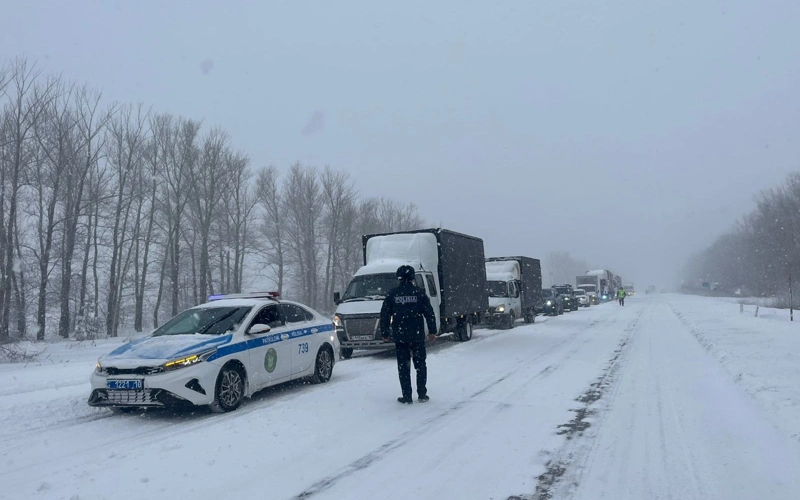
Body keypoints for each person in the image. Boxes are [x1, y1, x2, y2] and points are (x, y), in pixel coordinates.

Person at [380, 265, 437, 404]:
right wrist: (432, 331)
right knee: (420, 365)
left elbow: (385, 315)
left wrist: (385, 333)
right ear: (412, 278)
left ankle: (407, 396)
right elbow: (429, 313)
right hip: (417, 335)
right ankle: (422, 394)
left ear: (398, 278)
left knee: (403, 367)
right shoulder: (419, 293)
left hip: (401, 336)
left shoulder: (392, 294)